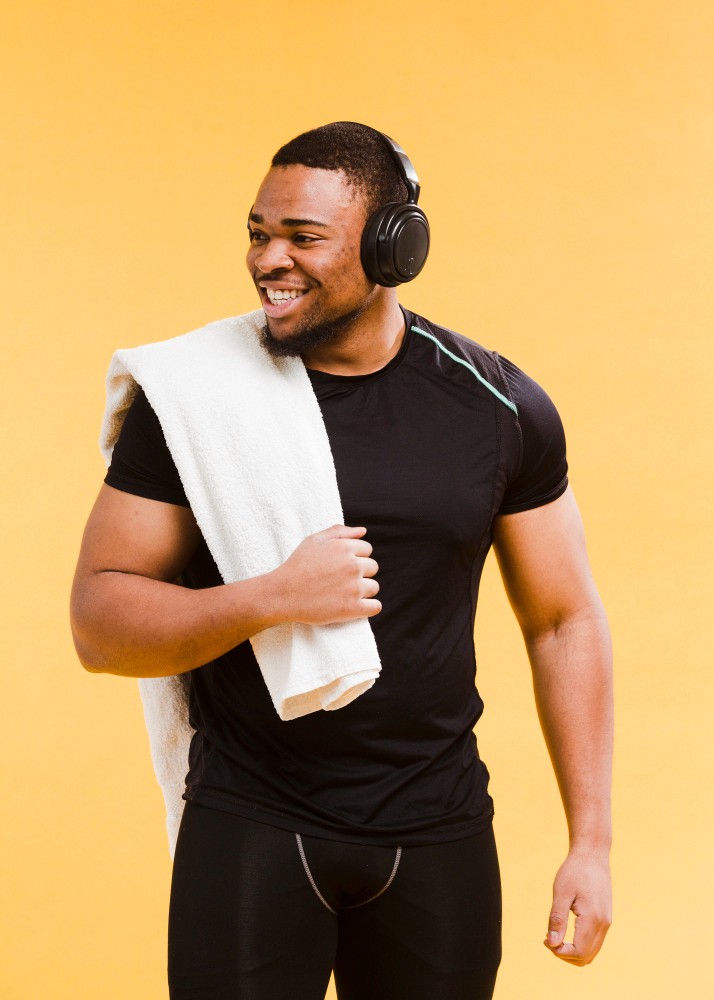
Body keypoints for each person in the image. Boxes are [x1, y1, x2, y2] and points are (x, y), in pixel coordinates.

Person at [70, 122, 613, 1000]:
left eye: (303, 238)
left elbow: (563, 619)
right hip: (251, 820)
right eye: (258, 231)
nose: (268, 260)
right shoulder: (196, 399)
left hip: (438, 830)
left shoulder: (498, 406)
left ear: (395, 247)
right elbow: (99, 623)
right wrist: (270, 597)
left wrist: (591, 843)